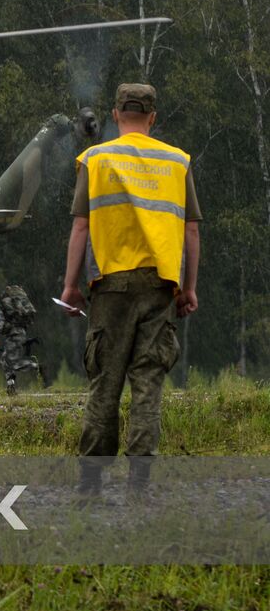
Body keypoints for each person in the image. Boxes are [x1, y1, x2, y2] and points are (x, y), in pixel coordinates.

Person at [59, 82, 200, 496]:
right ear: (153, 118)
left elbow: (81, 226)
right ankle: (139, 484)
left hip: (110, 290)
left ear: (116, 115)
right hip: (159, 288)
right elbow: (191, 230)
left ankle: (89, 483)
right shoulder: (178, 162)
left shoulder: (95, 159)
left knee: (105, 382)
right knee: (147, 384)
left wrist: (70, 286)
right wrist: (187, 288)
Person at [0, 287, 44, 395]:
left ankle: (36, 367)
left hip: (15, 335)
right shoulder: (3, 305)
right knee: (5, 360)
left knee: (12, 361)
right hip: (17, 333)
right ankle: (11, 387)